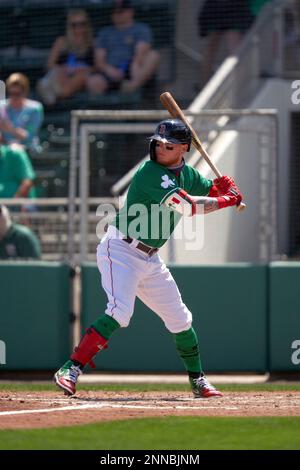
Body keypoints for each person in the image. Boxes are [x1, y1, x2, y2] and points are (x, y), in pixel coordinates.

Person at [54, 119, 243, 398]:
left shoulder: (187, 174)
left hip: (151, 258)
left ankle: (198, 380)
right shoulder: (149, 172)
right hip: (120, 249)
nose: (160, 149)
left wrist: (222, 188)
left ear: (183, 149)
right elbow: (189, 207)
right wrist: (229, 199)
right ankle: (70, 368)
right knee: (120, 312)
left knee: (180, 320)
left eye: (168, 146)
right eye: (157, 144)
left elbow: (209, 191)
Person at [87, 0, 160, 94]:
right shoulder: (104, 32)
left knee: (153, 55)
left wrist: (134, 66)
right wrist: (110, 70)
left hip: (131, 70)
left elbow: (140, 53)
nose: (117, 14)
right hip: (110, 71)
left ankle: (132, 87)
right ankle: (101, 107)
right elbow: (99, 61)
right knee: (93, 81)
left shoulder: (141, 29)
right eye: (114, 11)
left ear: (131, 12)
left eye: (121, 11)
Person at [37, 9, 94, 105]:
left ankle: (54, 93)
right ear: (69, 26)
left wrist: (81, 70)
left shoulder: (93, 43)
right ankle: (49, 86)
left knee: (81, 77)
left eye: (82, 24)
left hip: (80, 78)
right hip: (61, 75)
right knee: (57, 72)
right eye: (74, 25)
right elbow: (50, 64)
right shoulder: (61, 41)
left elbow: (96, 67)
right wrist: (62, 69)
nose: (78, 28)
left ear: (87, 25)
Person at [198, 0, 254, 85]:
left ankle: (238, 81)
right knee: (214, 45)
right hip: (218, 8)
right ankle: (204, 83)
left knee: (234, 48)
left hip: (232, 9)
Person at [0, 73, 44, 154]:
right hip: (5, 150)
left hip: (28, 151)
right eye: (11, 94)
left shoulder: (35, 109)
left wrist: (10, 129)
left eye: (18, 94)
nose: (14, 97)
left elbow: (29, 136)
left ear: (25, 92)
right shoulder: (1, 107)